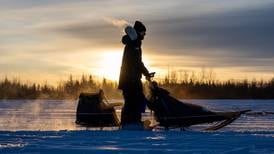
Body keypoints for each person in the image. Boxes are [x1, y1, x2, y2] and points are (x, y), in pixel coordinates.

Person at [118, 21, 153, 129]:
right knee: (133, 101)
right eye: (143, 32)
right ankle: (130, 123)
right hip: (130, 80)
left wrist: (146, 73)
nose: (144, 35)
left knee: (133, 101)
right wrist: (145, 73)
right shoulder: (134, 44)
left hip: (129, 79)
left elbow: (137, 62)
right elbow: (137, 63)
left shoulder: (134, 44)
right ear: (138, 32)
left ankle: (130, 122)